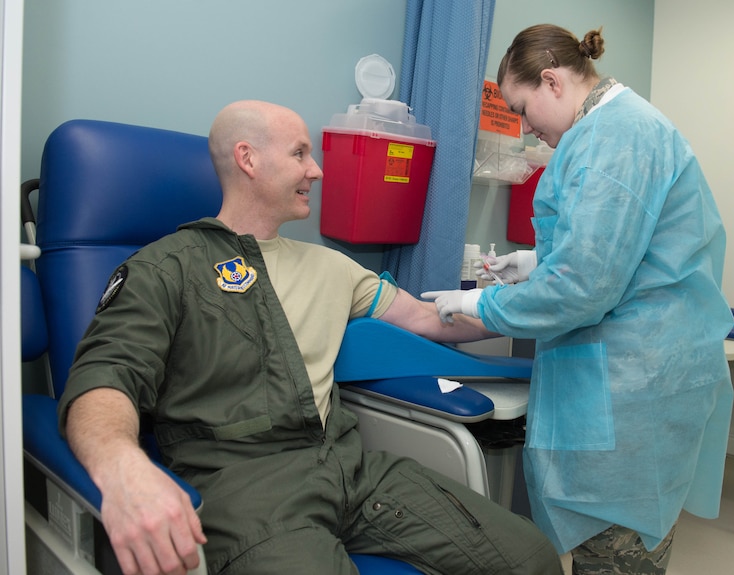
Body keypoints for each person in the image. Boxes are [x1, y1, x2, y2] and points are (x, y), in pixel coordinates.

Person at [57, 100, 562, 575]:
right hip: (246, 486)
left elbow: (432, 319)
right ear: (247, 159)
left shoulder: (333, 267)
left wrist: (530, 304)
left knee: (530, 557)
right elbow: (105, 378)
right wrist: (122, 466)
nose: (316, 170)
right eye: (300, 153)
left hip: (349, 469)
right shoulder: (165, 267)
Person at [422, 24, 734, 575]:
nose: (526, 127)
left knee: (619, 555)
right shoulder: (613, 129)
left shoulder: (617, 136)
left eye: (522, 108)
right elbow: (626, 252)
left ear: (551, 81)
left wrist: (480, 305)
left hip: (636, 386)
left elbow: (584, 286)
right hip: (631, 375)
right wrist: (537, 261)